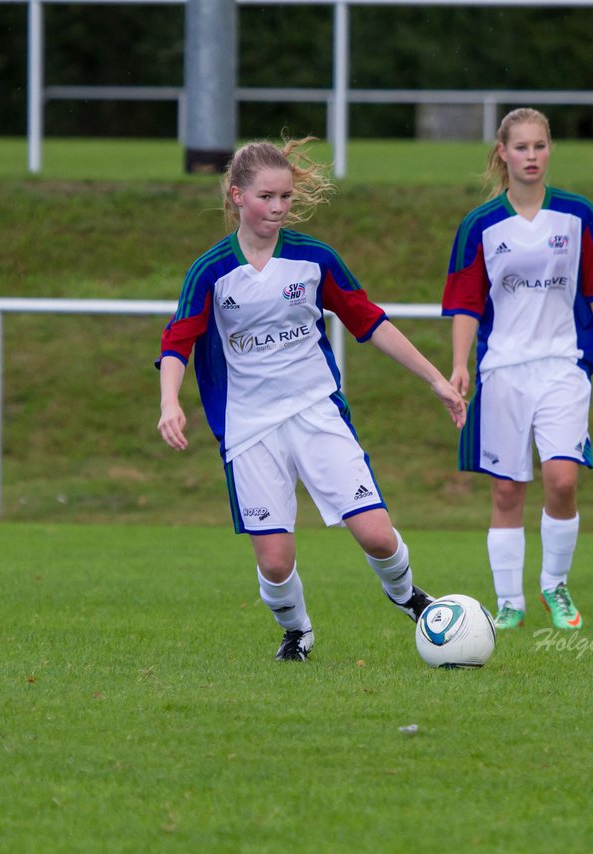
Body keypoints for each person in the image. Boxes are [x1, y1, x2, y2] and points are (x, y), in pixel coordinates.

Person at [157, 138, 467, 661]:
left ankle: (410, 598)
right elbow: (176, 341)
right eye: (266, 197)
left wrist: (435, 378)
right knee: (276, 562)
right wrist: (170, 401)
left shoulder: (314, 259)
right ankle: (297, 632)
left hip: (315, 411)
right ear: (236, 196)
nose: (277, 208)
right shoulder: (211, 272)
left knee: (376, 535)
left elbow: (370, 320)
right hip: (249, 428)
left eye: (285, 197)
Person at [441, 108, 593, 632]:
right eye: (521, 147)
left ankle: (555, 585)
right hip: (502, 369)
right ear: (502, 152)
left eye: (540, 146)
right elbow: (465, 303)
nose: (531, 156)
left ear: (550, 151)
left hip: (563, 365)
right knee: (506, 490)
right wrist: (460, 365)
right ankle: (510, 602)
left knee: (562, 479)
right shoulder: (479, 225)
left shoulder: (578, 215)